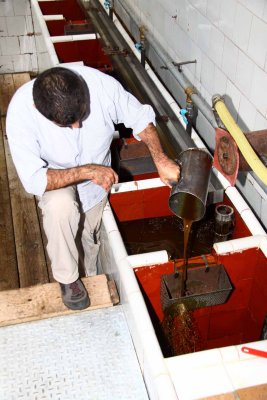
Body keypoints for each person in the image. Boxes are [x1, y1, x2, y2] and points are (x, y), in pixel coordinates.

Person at [6, 65, 180, 310]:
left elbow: (140, 119)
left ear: (82, 90)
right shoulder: (21, 113)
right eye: (67, 125)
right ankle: (68, 279)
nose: (77, 127)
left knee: (88, 237)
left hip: (97, 185)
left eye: (82, 115)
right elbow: (34, 180)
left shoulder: (100, 86)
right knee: (60, 207)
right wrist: (88, 170)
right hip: (57, 176)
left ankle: (88, 273)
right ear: (39, 110)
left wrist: (160, 159)